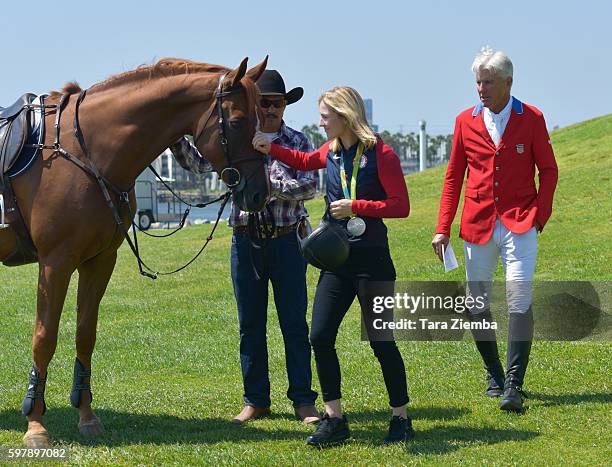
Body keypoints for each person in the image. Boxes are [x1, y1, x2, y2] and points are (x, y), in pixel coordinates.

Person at [253, 86, 414, 446]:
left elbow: (401, 205)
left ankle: (401, 418)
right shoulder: (331, 151)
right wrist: (269, 147)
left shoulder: (381, 154)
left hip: (373, 261)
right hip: (336, 262)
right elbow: (301, 160)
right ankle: (335, 419)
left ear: (345, 116)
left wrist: (358, 206)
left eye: (325, 116)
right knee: (320, 336)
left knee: (381, 341)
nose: (321, 122)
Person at [171, 70, 320, 424]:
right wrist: (175, 135)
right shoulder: (235, 141)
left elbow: (310, 186)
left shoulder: (298, 141)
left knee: (294, 324)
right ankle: (256, 400)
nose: (270, 109)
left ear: (285, 106)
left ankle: (303, 400)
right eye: (264, 102)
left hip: (287, 242)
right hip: (245, 239)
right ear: (255, 106)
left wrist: (272, 187)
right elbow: (197, 163)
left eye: (277, 103)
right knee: (250, 326)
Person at [431, 47, 558, 412]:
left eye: (488, 82)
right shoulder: (464, 120)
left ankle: (514, 385)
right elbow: (454, 176)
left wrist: (539, 215)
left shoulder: (532, 117)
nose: (481, 89)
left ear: (508, 83)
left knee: (519, 298)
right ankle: (494, 374)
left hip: (521, 222)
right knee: (477, 302)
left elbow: (548, 171)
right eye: (478, 82)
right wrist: (443, 228)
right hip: (478, 223)